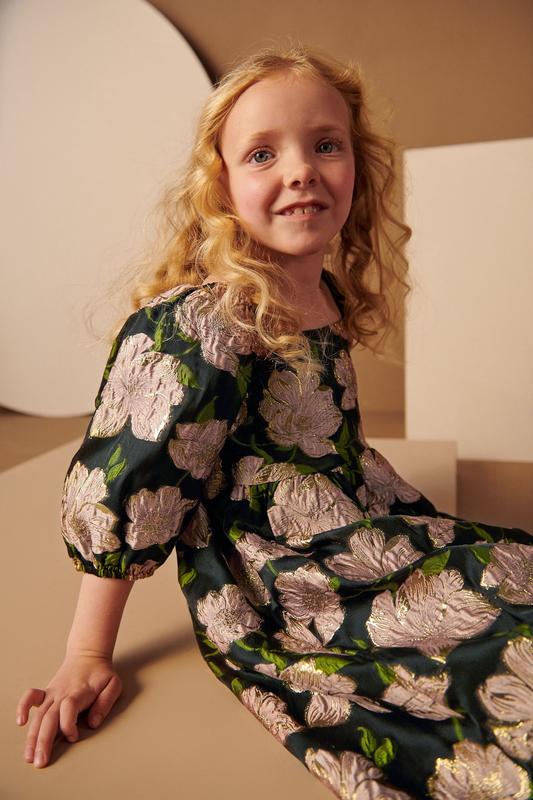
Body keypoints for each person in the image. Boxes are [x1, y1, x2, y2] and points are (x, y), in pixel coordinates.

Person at [16, 41, 533, 799]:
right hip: (288, 576)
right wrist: (87, 654)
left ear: (357, 164)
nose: (300, 170)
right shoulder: (203, 322)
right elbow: (130, 483)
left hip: (362, 524)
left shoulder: (320, 291)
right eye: (262, 154)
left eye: (325, 144)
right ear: (220, 186)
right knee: (487, 661)